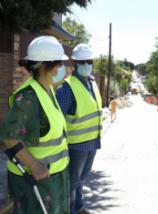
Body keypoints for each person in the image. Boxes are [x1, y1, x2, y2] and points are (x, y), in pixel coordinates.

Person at [0, 36, 70, 213]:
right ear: (46, 66)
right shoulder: (28, 97)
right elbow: (9, 138)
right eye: (60, 64)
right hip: (36, 180)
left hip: (54, 176)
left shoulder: (48, 89)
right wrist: (34, 164)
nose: (63, 68)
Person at [56, 43, 102, 214]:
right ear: (74, 64)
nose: (86, 65)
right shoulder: (67, 88)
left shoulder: (91, 82)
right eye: (81, 62)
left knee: (81, 179)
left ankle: (79, 206)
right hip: (76, 145)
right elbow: (57, 117)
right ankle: (69, 210)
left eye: (88, 61)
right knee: (72, 181)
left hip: (92, 142)